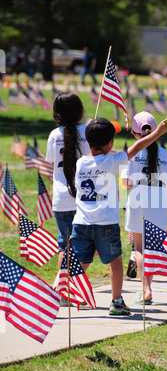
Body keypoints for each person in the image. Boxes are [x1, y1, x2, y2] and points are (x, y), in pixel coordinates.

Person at [70, 116, 167, 315]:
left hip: (81, 222)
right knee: (115, 263)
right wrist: (157, 133)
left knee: (81, 261)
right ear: (110, 143)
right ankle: (116, 301)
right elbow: (137, 148)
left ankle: (68, 292)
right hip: (106, 222)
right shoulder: (113, 161)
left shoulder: (80, 163)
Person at [122, 111, 167, 304]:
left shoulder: (132, 152)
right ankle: (148, 288)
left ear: (135, 133)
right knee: (153, 248)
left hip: (138, 203)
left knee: (139, 248)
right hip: (160, 205)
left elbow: (126, 183)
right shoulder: (165, 154)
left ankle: (145, 288)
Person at [46, 92, 90, 295]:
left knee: (65, 246)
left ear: (56, 114)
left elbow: (52, 167)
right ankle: (65, 287)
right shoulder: (88, 132)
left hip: (61, 199)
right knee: (85, 245)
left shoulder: (54, 135)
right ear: (80, 111)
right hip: (84, 198)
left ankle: (61, 287)